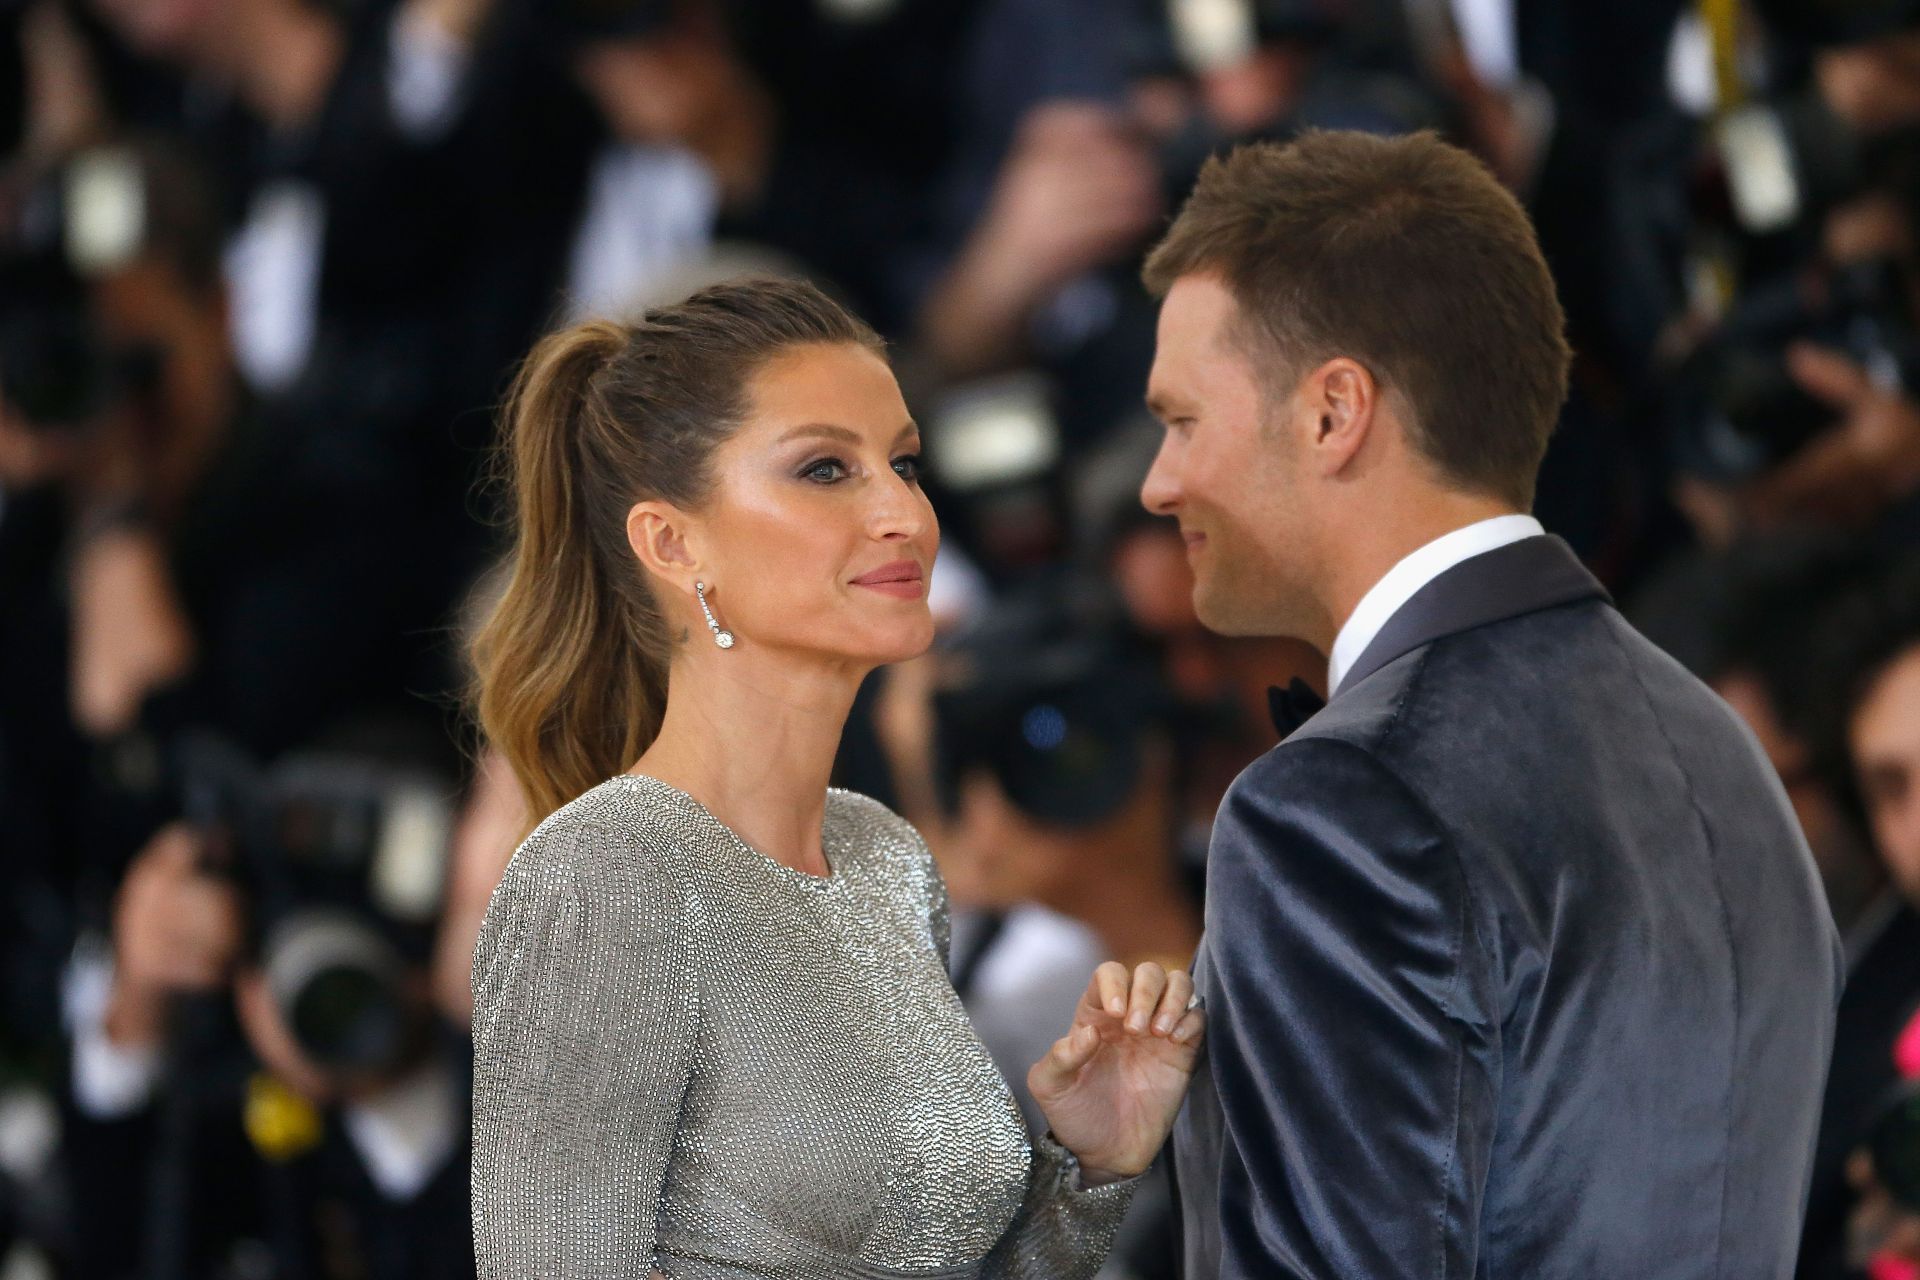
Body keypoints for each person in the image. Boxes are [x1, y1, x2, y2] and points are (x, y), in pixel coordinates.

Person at [1138, 129, 1842, 1278]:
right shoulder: (1720, 751)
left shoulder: (1337, 803)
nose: (1158, 481)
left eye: (1181, 419)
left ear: (1333, 412)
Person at [465, 278, 1205, 1279]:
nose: (902, 510)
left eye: (903, 462)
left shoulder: (885, 857)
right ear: (673, 542)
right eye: (826, 469)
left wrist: (1095, 1163)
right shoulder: (606, 873)